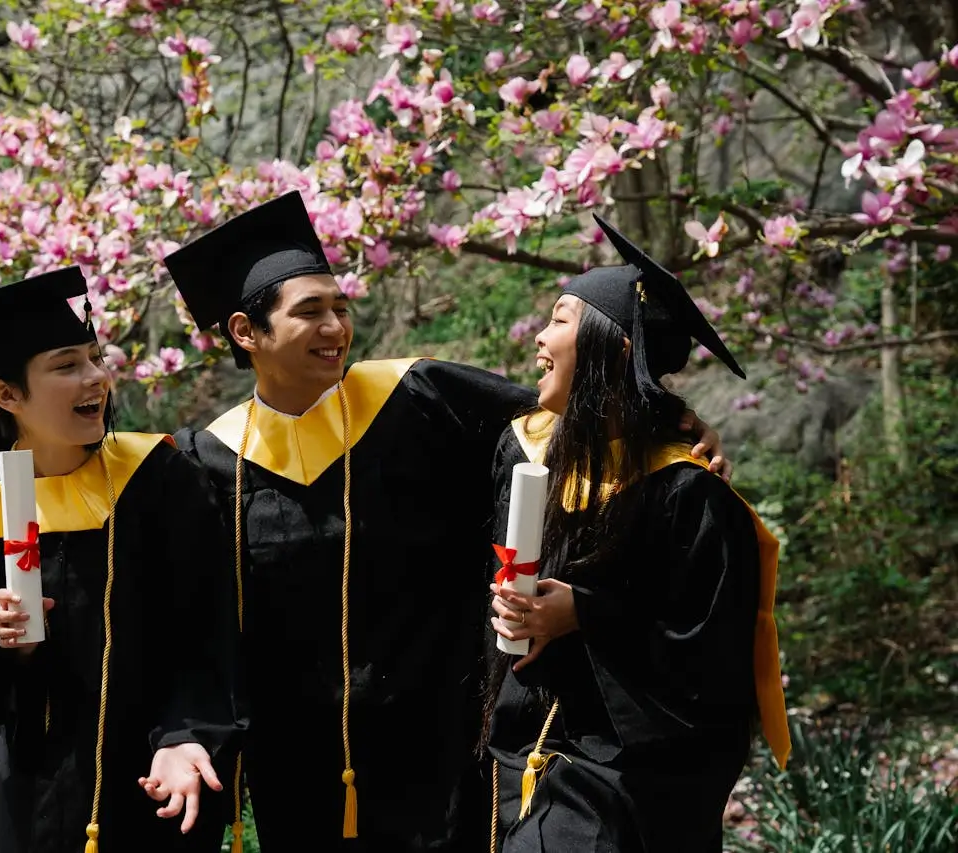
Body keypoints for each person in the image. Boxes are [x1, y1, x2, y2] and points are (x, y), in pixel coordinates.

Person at [161, 192, 732, 852]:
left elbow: (573, 421)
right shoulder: (209, 461)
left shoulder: (417, 395)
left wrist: (674, 422)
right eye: (311, 311)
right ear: (245, 332)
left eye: (341, 308)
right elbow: (193, 619)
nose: (336, 327)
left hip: (440, 751)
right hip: (296, 765)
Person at [0, 267, 241, 853]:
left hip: (159, 781)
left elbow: (210, 631)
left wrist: (187, 735)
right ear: (6, 395)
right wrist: (16, 651)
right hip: (35, 796)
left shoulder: (159, 479)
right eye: (66, 365)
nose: (95, 378)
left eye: (95, 358)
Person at [482, 215, 790, 853]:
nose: (539, 336)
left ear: (615, 345)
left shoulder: (690, 494)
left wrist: (585, 615)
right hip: (514, 759)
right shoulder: (523, 449)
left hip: (622, 784)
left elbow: (709, 664)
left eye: (560, 319)